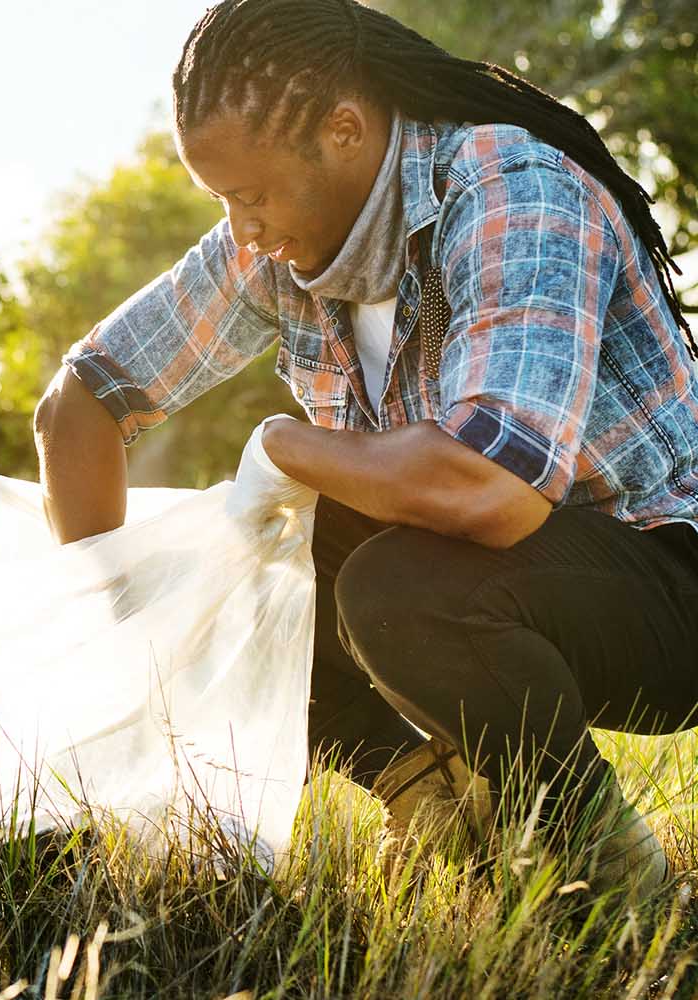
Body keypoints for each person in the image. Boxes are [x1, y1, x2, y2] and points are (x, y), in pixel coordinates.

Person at [34, 0, 698, 895]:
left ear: (344, 131)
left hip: (665, 581)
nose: (243, 230)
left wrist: (283, 445)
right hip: (499, 581)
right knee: (221, 570)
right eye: (223, 200)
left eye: (254, 195)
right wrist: (117, 614)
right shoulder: (277, 244)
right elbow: (79, 403)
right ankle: (431, 803)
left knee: (397, 588)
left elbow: (490, 491)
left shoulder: (514, 188)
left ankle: (609, 882)